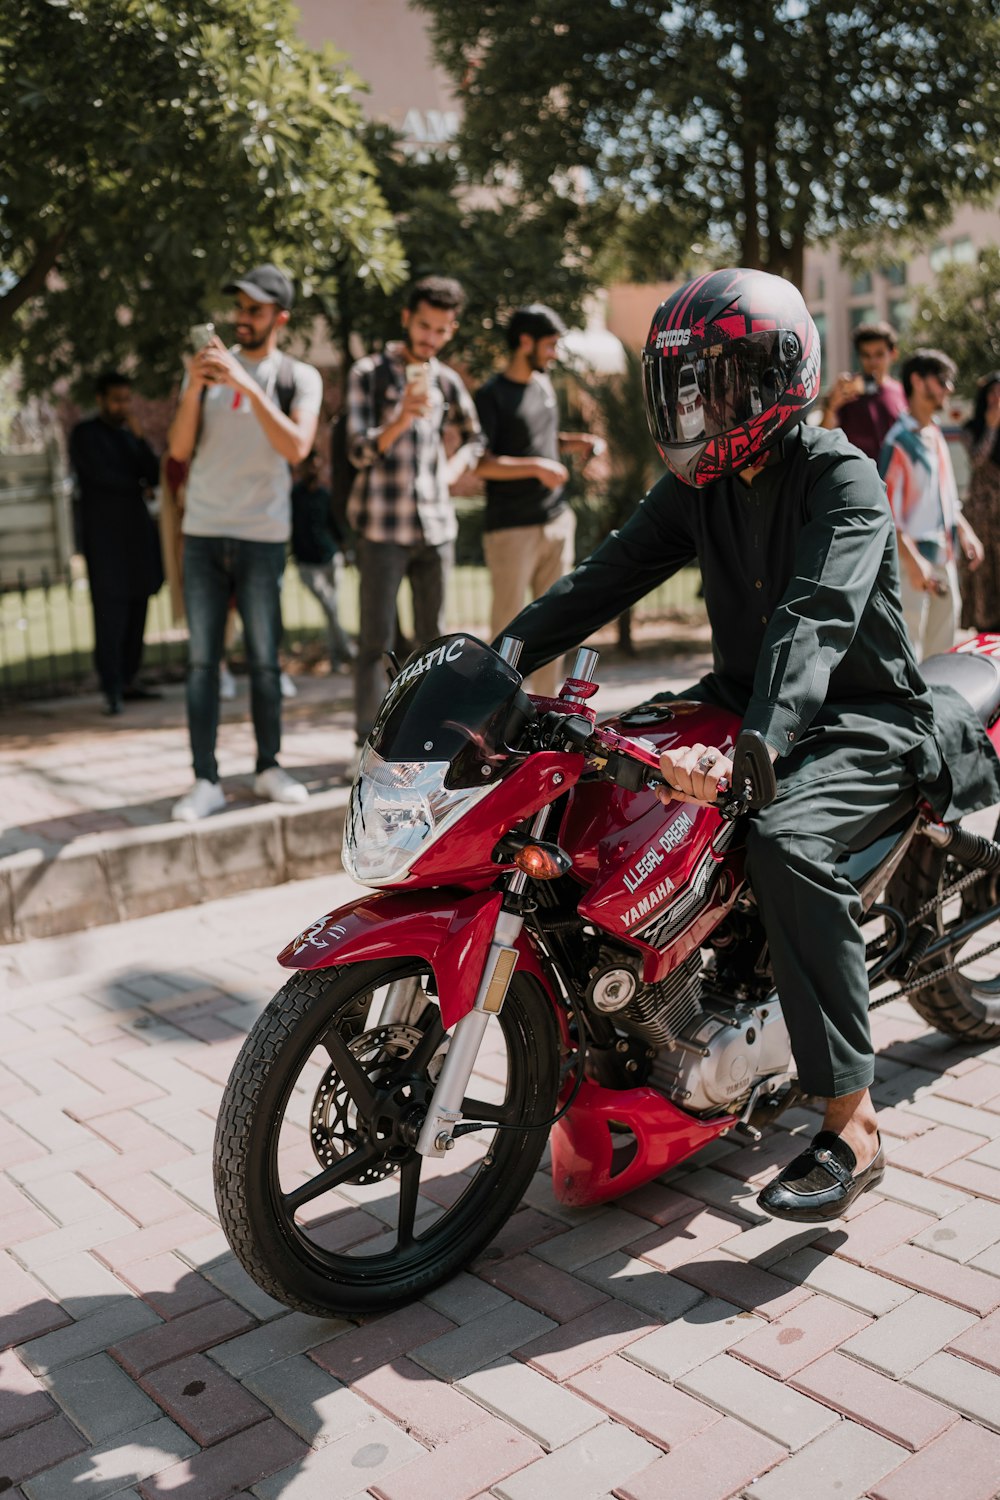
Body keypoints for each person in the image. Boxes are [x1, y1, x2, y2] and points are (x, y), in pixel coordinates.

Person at [499, 267, 1000, 1223]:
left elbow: (812, 623)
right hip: (743, 700)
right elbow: (605, 576)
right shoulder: (702, 487)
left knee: (783, 844)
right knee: (603, 790)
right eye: (691, 386)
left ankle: (850, 1117)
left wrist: (758, 745)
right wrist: (501, 656)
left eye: (723, 384)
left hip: (857, 714)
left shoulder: (840, 472)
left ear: (782, 377)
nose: (703, 407)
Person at [166, 263, 322, 821]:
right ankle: (204, 779)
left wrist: (245, 383)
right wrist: (195, 385)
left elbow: (297, 447)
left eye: (255, 310)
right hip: (203, 533)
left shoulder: (298, 377)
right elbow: (179, 450)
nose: (243, 319)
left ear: (279, 317)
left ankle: (267, 767)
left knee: (262, 659)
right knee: (203, 662)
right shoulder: (206, 372)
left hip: (261, 536)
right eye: (240, 308)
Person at [345, 275, 483, 764]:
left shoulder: (447, 379)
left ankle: (427, 743)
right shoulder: (369, 372)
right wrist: (402, 416)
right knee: (375, 640)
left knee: (435, 643)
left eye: (442, 330)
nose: (431, 337)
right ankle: (366, 742)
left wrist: (453, 467)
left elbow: (475, 437)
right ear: (406, 318)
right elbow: (358, 451)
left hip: (436, 527)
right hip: (382, 527)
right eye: (424, 325)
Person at [474, 304, 602, 696]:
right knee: (509, 632)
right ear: (524, 342)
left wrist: (573, 443)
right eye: (549, 345)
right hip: (511, 530)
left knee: (553, 625)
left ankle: (546, 714)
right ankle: (496, 716)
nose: (554, 354)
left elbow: (542, 441)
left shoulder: (544, 388)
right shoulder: (490, 396)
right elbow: (482, 464)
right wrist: (537, 467)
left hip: (556, 522)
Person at [879, 348, 983, 661]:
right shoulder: (898, 442)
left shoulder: (934, 433)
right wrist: (912, 561)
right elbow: (886, 512)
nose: (949, 389)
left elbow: (944, 496)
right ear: (917, 382)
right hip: (914, 565)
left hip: (944, 557)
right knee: (911, 650)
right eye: (942, 381)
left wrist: (965, 531)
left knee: (944, 649)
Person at [69, 372, 164, 716]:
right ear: (101, 399)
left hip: (136, 537)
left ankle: (129, 679)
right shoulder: (85, 435)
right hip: (105, 539)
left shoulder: (130, 437)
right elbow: (100, 477)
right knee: (111, 614)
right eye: (116, 399)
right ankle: (111, 686)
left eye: (127, 399)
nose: (122, 406)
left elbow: (154, 474)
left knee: (138, 607)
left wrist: (141, 441)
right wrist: (136, 485)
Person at [290, 449, 357, 673]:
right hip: (307, 563)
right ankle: (349, 650)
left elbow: (334, 525)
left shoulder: (324, 495)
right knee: (330, 606)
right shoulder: (293, 496)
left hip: (330, 558)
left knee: (331, 612)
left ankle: (336, 662)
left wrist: (345, 550)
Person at [820, 319, 907, 461]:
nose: (873, 362)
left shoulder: (902, 392)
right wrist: (831, 407)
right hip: (858, 475)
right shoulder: (846, 391)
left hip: (894, 478)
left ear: (893, 354)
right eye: (866, 355)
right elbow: (823, 437)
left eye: (879, 354)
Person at [960, 372, 1000, 633]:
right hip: (983, 513)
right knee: (984, 571)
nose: (996, 398)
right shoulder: (971, 428)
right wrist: (991, 427)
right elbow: (977, 460)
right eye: (991, 393)